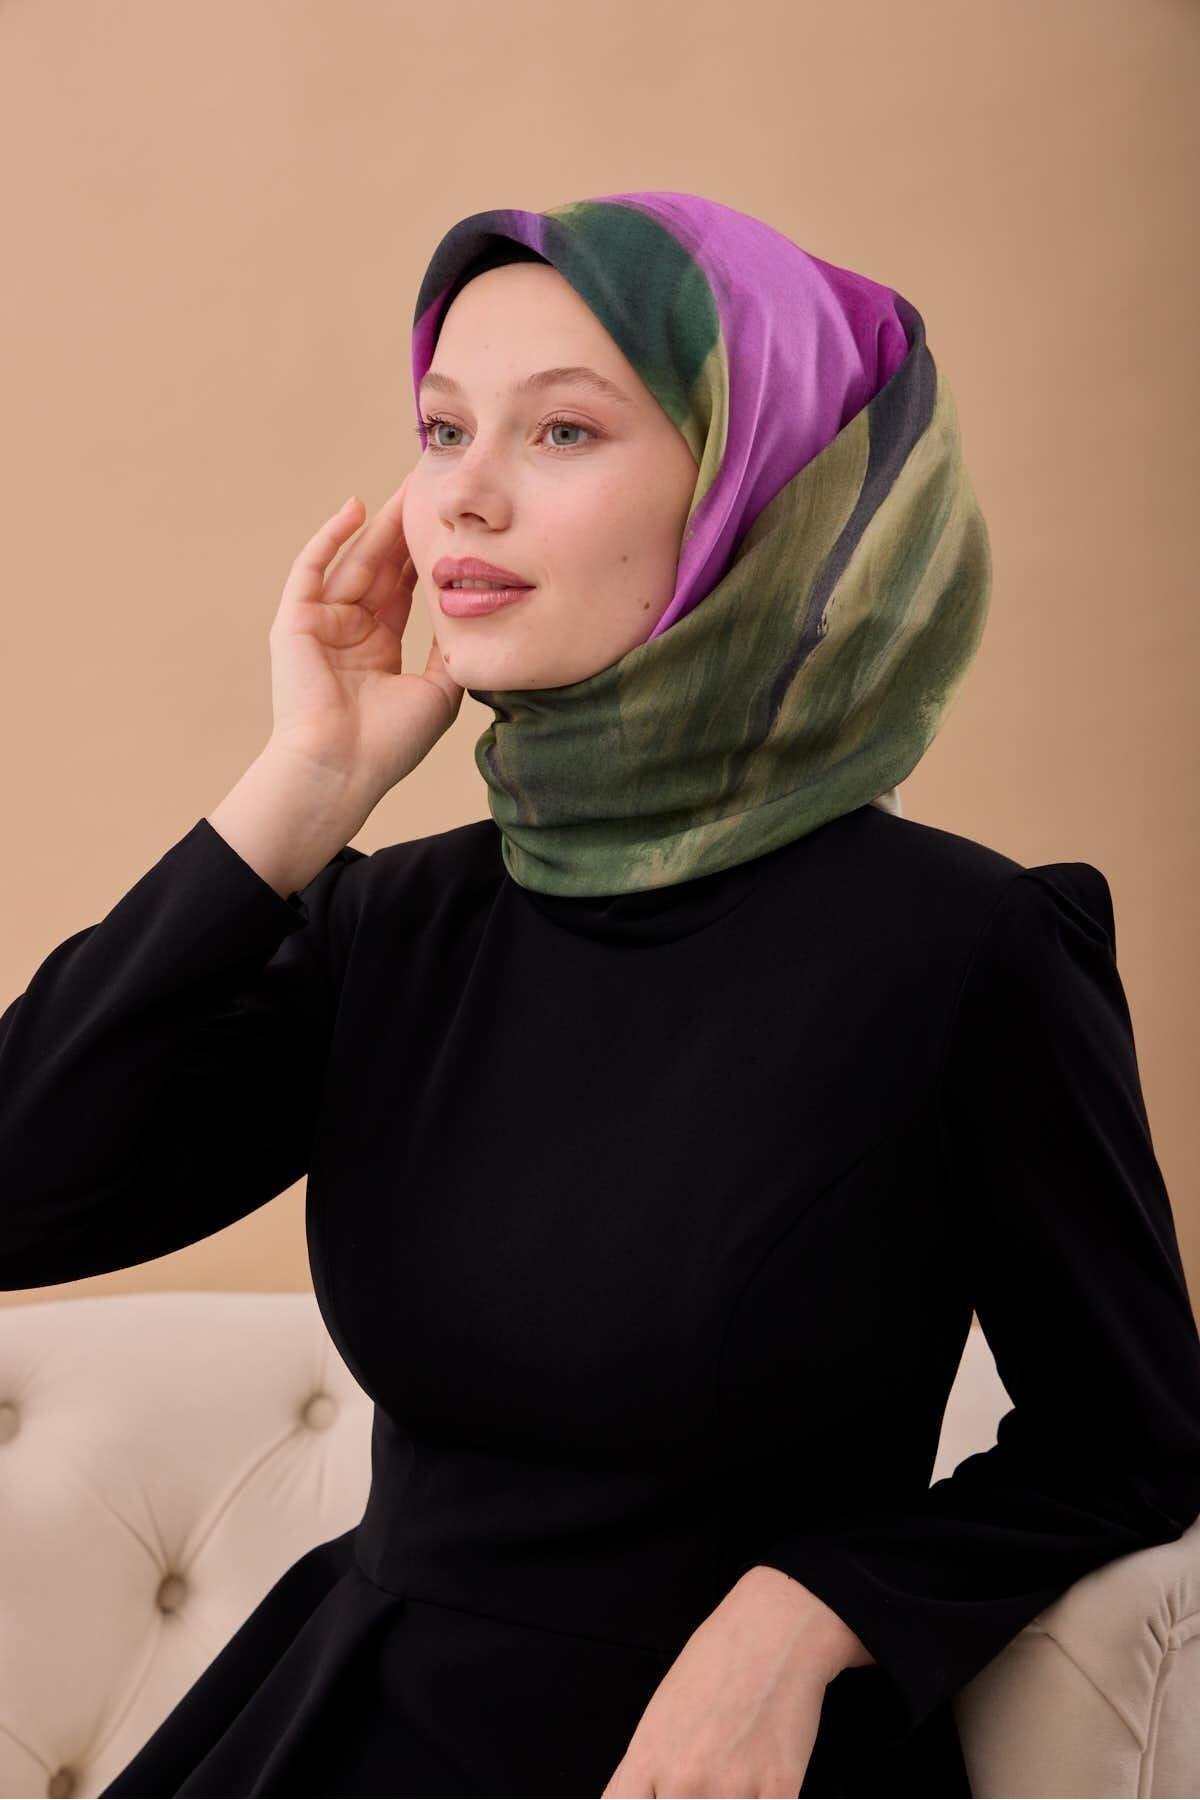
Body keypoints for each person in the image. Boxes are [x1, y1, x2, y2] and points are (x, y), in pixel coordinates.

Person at [2, 188, 1198, 1800]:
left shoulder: (967, 952)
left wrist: (806, 1615)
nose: (463, 495)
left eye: (561, 432)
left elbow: (1129, 1441)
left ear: (757, 493)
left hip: (703, 1765)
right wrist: (302, 787)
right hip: (344, 1729)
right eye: (442, 430)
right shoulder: (396, 929)